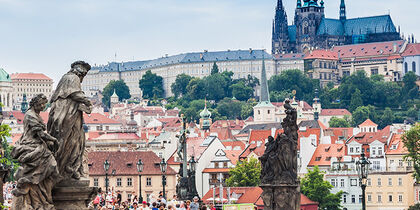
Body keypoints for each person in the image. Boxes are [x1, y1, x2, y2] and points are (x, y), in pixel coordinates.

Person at [11, 94, 59, 210]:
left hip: (39, 145)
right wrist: (54, 140)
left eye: (44, 104)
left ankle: (44, 199)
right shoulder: (30, 115)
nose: (43, 106)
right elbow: (40, 134)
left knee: (50, 172)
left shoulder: (35, 115)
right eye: (41, 104)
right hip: (32, 145)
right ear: (35, 103)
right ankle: (40, 201)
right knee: (51, 168)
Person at [47, 61, 92, 181]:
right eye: (84, 75)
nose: (82, 78)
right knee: (73, 141)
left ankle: (66, 168)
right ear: (80, 72)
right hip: (67, 116)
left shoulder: (65, 78)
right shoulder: (73, 78)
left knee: (69, 141)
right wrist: (88, 102)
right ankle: (68, 169)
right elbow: (75, 94)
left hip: (64, 114)